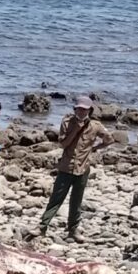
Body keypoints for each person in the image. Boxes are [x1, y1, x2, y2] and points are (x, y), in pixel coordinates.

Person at [33, 95, 114, 241]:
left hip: (83, 168)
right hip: (66, 167)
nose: (82, 112)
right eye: (79, 109)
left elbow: (109, 139)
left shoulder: (95, 126)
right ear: (75, 109)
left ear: (90, 111)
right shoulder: (66, 122)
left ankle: (73, 230)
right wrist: (76, 130)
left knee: (76, 201)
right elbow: (63, 144)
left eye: (85, 110)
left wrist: (94, 148)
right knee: (56, 199)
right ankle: (42, 226)